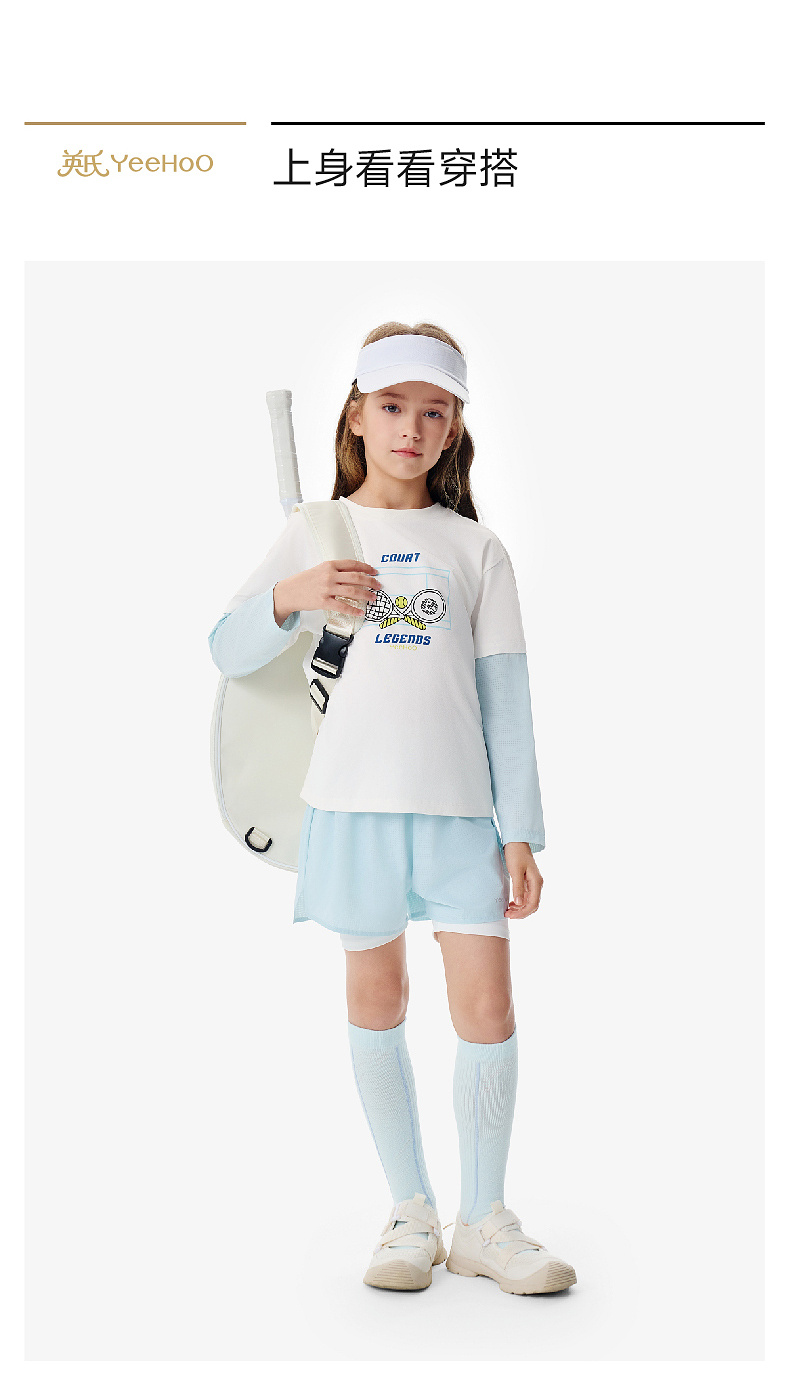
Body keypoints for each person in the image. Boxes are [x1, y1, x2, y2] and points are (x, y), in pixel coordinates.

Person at [208, 321, 576, 1296]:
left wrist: (521, 831)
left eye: (434, 410)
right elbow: (227, 651)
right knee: (377, 1003)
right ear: (357, 418)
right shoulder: (315, 533)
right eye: (392, 405)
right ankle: (409, 1210)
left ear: (453, 429)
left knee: (487, 1011)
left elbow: (505, 699)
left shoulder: (476, 548)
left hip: (459, 817)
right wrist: (291, 596)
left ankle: (483, 1220)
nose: (412, 427)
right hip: (350, 810)